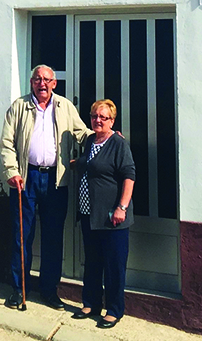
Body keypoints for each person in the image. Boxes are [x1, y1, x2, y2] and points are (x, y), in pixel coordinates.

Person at [0, 64, 92, 310]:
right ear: (31, 83)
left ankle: (49, 291)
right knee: (22, 235)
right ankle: (19, 290)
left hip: (55, 180)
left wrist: (106, 137)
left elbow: (83, 133)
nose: (42, 83)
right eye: (37, 79)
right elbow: (7, 143)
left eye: (47, 79)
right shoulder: (19, 107)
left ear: (54, 83)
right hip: (25, 178)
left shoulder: (64, 107)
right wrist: (12, 171)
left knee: (53, 238)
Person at [71, 99, 135, 329]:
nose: (98, 120)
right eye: (95, 116)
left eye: (104, 117)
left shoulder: (118, 143)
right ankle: (91, 303)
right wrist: (75, 163)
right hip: (90, 214)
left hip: (112, 216)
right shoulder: (90, 141)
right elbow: (92, 164)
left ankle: (115, 310)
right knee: (93, 261)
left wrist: (122, 207)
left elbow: (129, 175)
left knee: (114, 264)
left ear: (112, 121)